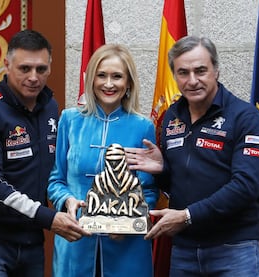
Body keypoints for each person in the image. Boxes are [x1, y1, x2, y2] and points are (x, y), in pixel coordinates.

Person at [126, 36, 259, 276]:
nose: (192, 81)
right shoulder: (172, 116)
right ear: (175, 76)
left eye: (200, 70)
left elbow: (246, 186)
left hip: (234, 250)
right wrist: (162, 171)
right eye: (183, 73)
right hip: (184, 251)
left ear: (216, 70)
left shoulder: (245, 117)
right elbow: (180, 184)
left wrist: (187, 216)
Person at [0, 29, 90, 277]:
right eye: (25, 68)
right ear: (7, 65)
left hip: (30, 239)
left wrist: (70, 200)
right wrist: (49, 218)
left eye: (41, 69)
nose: (33, 77)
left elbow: (57, 170)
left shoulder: (50, 107)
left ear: (50, 67)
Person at [47, 44, 159, 277]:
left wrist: (129, 219)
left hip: (127, 247)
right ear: (91, 79)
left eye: (117, 76)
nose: (109, 84)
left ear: (128, 83)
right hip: (75, 241)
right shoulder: (69, 120)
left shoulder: (143, 126)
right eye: (101, 75)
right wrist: (67, 201)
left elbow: (148, 190)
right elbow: (55, 181)